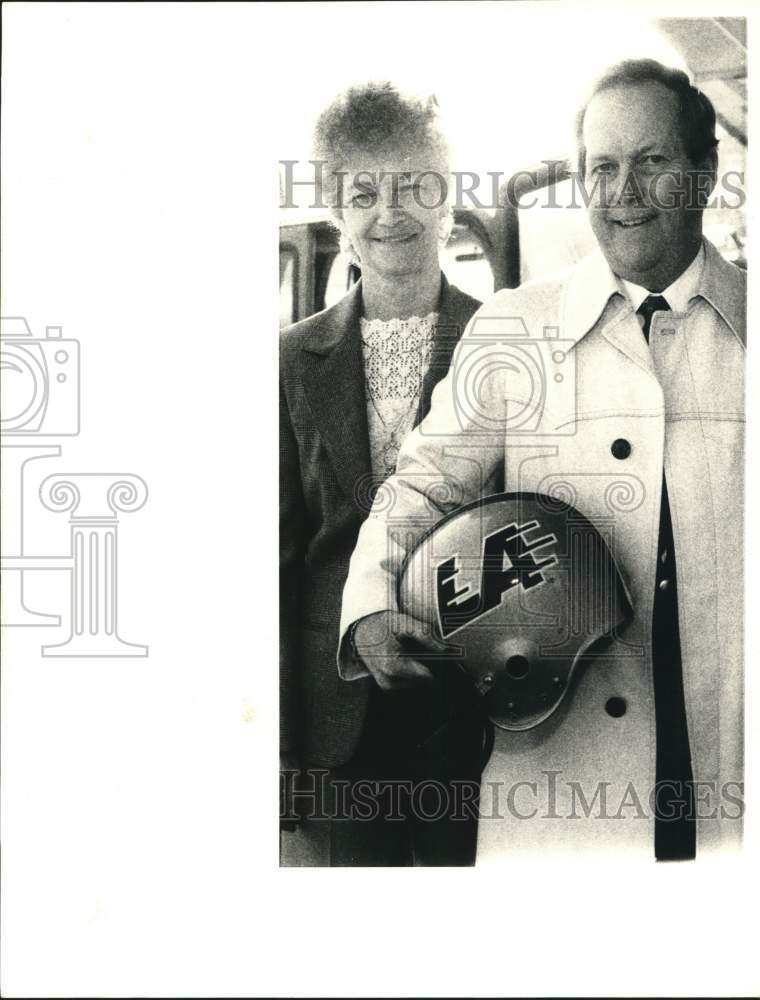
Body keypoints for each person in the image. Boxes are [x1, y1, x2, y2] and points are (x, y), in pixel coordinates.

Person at [339, 59, 745, 860]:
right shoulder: (517, 327)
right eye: (602, 167)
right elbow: (421, 483)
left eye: (652, 162)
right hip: (563, 793)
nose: (622, 190)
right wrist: (374, 597)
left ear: (704, 174)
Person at [280, 82, 485, 866]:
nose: (389, 212)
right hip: (336, 723)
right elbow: (278, 563)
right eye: (363, 192)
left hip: (474, 705)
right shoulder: (291, 359)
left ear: (448, 196)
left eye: (412, 186)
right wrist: (281, 749)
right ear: (337, 211)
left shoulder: (505, 339)